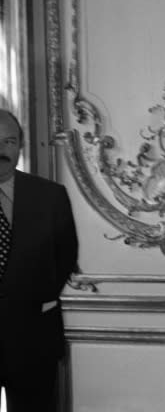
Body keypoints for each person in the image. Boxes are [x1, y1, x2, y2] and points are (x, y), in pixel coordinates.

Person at [0, 109, 79, 412]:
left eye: (9, 141)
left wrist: (33, 296)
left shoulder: (50, 196)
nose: (2, 150)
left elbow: (65, 256)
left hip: (33, 338)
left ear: (20, 145)